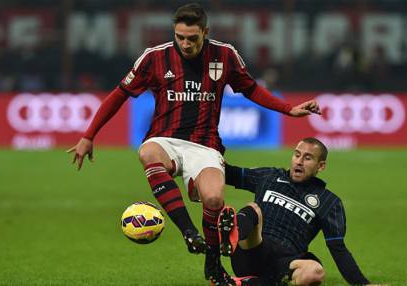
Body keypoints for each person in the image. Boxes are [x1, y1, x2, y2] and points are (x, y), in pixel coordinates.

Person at [67, 3, 320, 285]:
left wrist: (288, 109)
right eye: (180, 37)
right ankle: (189, 231)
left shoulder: (225, 55)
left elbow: (251, 90)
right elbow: (118, 95)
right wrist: (89, 135)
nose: (185, 44)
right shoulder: (154, 58)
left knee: (214, 199)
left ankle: (212, 265)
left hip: (205, 145)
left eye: (192, 38)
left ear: (205, 32)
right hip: (165, 138)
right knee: (147, 151)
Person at [219, 138, 378, 286]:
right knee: (252, 209)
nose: (299, 162)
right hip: (252, 249)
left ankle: (246, 282)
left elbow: (338, 248)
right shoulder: (270, 176)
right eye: (297, 155)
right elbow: (230, 174)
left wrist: (364, 284)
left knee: (315, 272)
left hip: (286, 261)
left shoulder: (329, 202)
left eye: (308, 158)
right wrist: (211, 159)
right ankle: (228, 238)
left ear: (320, 166)